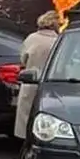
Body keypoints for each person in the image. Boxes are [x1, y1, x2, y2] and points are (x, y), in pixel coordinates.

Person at [14, 11, 61, 140]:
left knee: (27, 123)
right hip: (51, 86)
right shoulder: (58, 41)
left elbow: (23, 59)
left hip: (29, 85)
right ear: (55, 23)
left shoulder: (31, 39)